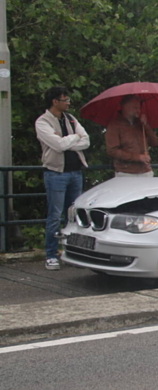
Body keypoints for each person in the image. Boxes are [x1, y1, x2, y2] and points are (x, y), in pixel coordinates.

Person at [35, 86, 90, 270]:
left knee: (73, 215)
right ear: (55, 102)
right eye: (65, 100)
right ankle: (51, 254)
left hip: (75, 172)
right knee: (55, 215)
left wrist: (70, 138)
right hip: (56, 173)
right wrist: (74, 139)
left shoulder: (71, 119)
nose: (68, 103)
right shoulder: (43, 122)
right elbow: (57, 145)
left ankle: (71, 251)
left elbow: (86, 140)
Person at [105, 96, 158, 177]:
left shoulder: (140, 123)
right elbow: (112, 151)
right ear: (125, 107)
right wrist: (138, 157)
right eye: (135, 108)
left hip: (145, 170)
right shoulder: (114, 125)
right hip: (125, 172)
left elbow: (155, 143)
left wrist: (146, 125)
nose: (139, 111)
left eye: (139, 108)